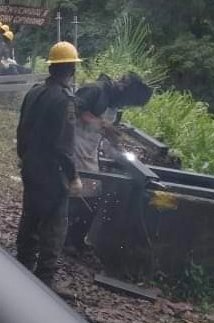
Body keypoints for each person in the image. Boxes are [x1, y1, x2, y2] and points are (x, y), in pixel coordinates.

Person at [15, 42, 83, 293]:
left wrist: (24, 156)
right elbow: (63, 144)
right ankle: (45, 279)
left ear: (52, 66)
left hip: (31, 166)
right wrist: (74, 175)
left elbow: (22, 129)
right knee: (54, 225)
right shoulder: (64, 101)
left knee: (30, 216)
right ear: (71, 70)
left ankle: (22, 265)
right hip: (52, 173)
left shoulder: (35, 92)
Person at [66, 71, 154, 254]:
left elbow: (106, 133)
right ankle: (67, 240)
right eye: (127, 101)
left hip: (89, 149)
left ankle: (77, 239)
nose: (125, 106)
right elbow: (73, 107)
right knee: (80, 194)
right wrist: (102, 125)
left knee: (93, 194)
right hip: (72, 144)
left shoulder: (114, 104)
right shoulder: (95, 90)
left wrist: (117, 145)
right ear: (122, 88)